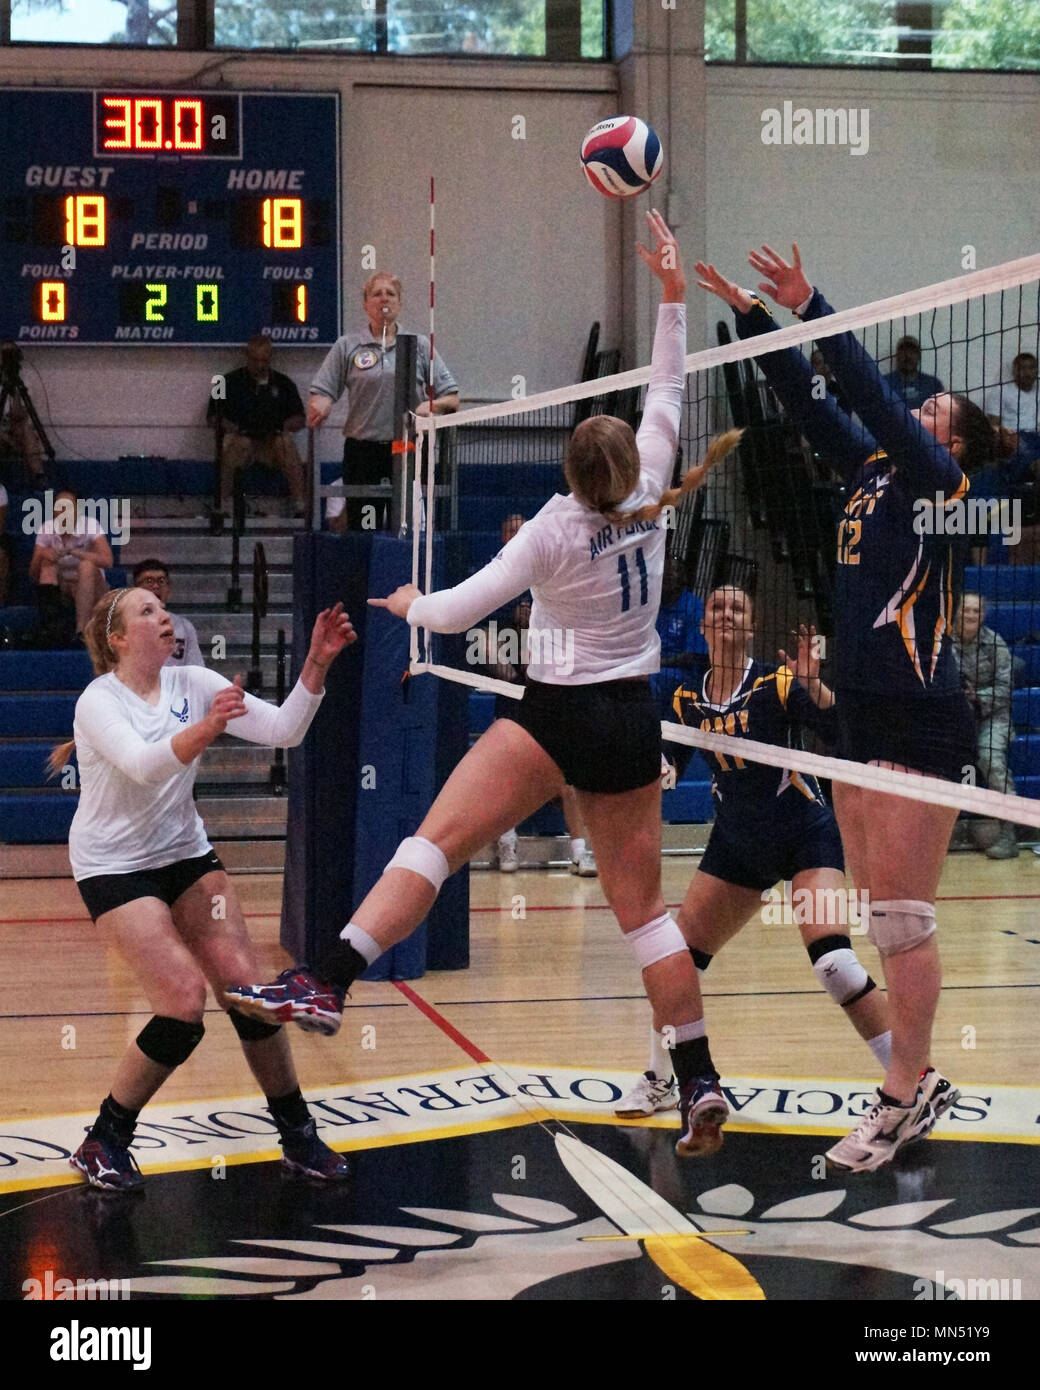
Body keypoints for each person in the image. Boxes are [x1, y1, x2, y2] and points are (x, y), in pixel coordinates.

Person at [229, 212, 732, 1157]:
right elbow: (669, 384)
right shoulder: (654, 486)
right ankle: (698, 1077)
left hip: (552, 716)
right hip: (628, 719)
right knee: (645, 919)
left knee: (435, 842)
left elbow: (460, 614)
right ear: (625, 464)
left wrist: (415, 603)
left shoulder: (550, 526)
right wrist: (671, 293)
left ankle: (328, 977)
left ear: (573, 473)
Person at [695, 243, 992, 1172]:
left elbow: (865, 392)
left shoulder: (944, 486)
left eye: (936, 409)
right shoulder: (871, 469)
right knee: (881, 913)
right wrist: (754, 321)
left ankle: (902, 1097)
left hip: (919, 711)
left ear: (952, 443)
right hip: (859, 710)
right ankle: (920, 1080)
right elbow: (811, 403)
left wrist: (813, 302)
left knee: (903, 918)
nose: (922, 408)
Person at [618, 586, 958, 1124]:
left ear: (750, 627)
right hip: (737, 846)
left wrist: (815, 687)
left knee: (835, 964)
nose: (727, 615)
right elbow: (672, 759)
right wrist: (658, 771)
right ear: (703, 626)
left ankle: (919, 1079)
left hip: (806, 835)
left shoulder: (776, 683)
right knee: (674, 961)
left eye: (739, 609)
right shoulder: (685, 697)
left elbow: (840, 729)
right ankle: (662, 1076)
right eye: (718, 608)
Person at [60, 585, 356, 1190]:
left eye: (165, 607)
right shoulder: (99, 700)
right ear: (118, 639)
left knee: (250, 992)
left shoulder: (192, 682)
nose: (163, 615)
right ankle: (104, 1140)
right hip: (112, 866)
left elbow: (286, 731)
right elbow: (143, 765)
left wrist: (316, 666)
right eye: (147, 611)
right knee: (181, 1002)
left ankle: (298, 1136)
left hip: (184, 854)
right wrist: (209, 728)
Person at [487, 515, 597, 876]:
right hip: (513, 691)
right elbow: (484, 637)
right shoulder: (497, 579)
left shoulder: (549, 574)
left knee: (567, 778)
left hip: (549, 688)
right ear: (503, 539)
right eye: (512, 532)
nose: (519, 537)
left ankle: (580, 852)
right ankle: (507, 843)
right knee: (506, 775)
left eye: (524, 531)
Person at [315, 272, 459, 532]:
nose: (384, 298)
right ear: (365, 304)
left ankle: (406, 573)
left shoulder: (420, 346)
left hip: (406, 448)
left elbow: (452, 398)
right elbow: (321, 391)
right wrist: (322, 402)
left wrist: (432, 405)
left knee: (405, 527)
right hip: (363, 452)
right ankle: (363, 572)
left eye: (390, 293)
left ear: (399, 304)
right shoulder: (347, 346)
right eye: (376, 293)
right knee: (363, 528)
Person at [950, 592, 1020, 860]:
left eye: (976, 611)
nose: (970, 615)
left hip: (993, 715)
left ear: (983, 615)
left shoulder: (995, 643)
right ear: (957, 613)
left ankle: (1008, 833)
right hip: (956, 716)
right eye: (966, 609)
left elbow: (1006, 688)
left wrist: (977, 696)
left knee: (990, 759)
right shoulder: (943, 644)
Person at [207, 335, 307, 516]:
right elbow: (212, 417)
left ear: (271, 358)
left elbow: (300, 418)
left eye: (264, 361)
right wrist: (230, 426)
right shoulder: (225, 381)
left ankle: (300, 507)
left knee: (285, 443)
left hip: (271, 444)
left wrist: (286, 425)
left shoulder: (284, 383)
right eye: (255, 360)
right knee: (241, 444)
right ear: (247, 356)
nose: (260, 365)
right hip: (241, 442)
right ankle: (221, 505)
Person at [29, 485, 111, 642]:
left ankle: (82, 631)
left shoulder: (90, 525)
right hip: (63, 587)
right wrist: (42, 554)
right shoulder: (47, 528)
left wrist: (77, 553)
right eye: (59, 507)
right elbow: (33, 574)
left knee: (86, 565)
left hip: (93, 587)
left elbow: (107, 561)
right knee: (47, 564)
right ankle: (52, 629)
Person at [132, 559, 204, 668]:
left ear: (168, 590)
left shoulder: (185, 627)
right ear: (135, 589)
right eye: (149, 581)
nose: (156, 586)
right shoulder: (124, 623)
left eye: (161, 581)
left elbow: (196, 668)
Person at [882, 335, 944, 411]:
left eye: (912, 351)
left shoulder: (933, 384)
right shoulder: (884, 383)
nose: (908, 356)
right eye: (903, 351)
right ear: (897, 356)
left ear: (919, 356)